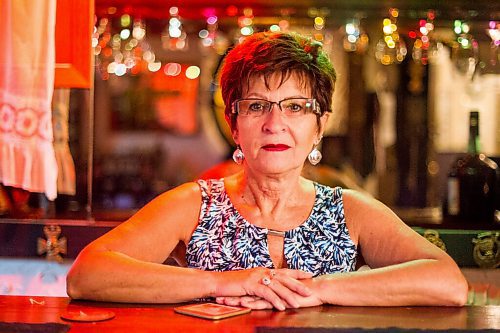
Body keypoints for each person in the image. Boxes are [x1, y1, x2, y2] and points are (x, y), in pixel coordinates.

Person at [66, 31, 468, 309]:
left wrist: (322, 289)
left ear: (320, 125)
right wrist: (221, 282)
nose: (275, 123)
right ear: (234, 123)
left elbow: (448, 283)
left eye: (295, 107)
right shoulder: (196, 203)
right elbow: (87, 274)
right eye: (257, 105)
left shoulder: (350, 211)